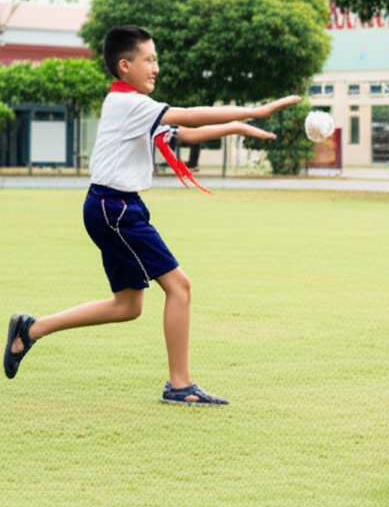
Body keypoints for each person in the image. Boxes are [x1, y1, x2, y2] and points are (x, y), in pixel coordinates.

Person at [4, 25, 301, 405]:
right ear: (124, 65)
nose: (156, 67)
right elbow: (191, 116)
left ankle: (31, 329)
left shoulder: (129, 104)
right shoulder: (130, 105)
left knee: (128, 306)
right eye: (149, 59)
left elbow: (184, 134)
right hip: (116, 209)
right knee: (180, 287)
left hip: (113, 206)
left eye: (155, 59)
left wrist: (236, 126)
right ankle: (180, 386)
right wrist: (257, 109)